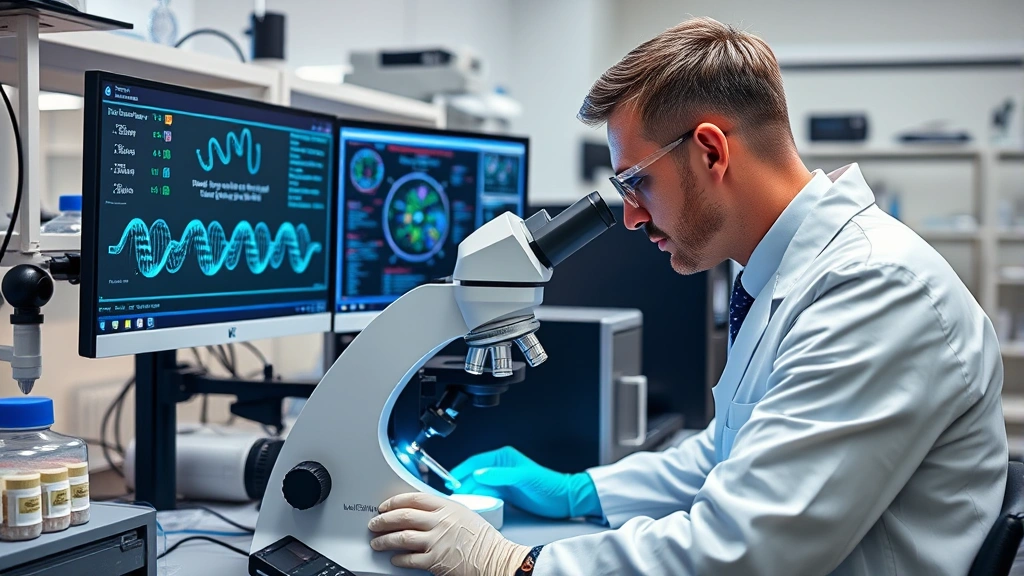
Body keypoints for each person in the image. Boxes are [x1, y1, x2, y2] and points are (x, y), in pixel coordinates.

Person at [367, 16, 1008, 576]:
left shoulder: (875, 291)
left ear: (709, 151)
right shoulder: (781, 272)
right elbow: (731, 451)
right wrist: (578, 491)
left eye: (637, 183)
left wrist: (516, 564)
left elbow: (745, 549)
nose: (630, 217)